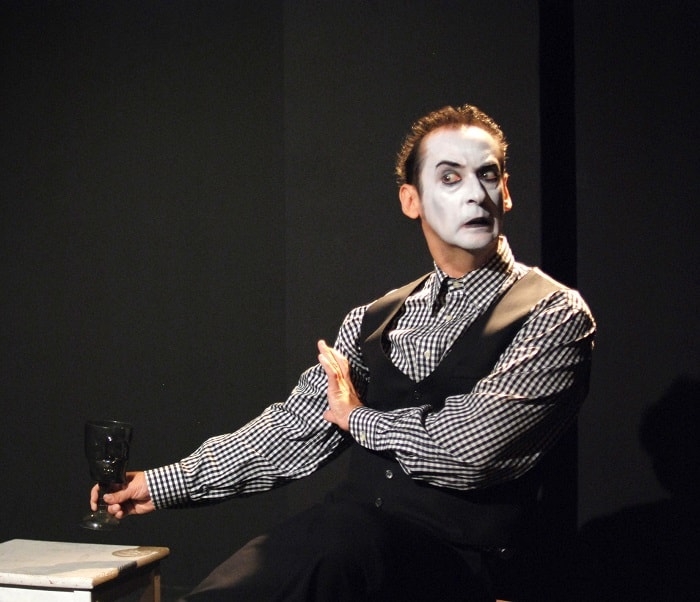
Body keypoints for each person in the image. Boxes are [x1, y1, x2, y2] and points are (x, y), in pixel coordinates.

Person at [91, 104, 596, 601]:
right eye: (450, 178)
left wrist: (359, 419)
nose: (475, 194)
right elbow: (292, 431)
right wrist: (162, 484)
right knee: (271, 562)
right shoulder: (374, 318)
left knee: (334, 543)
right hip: (353, 548)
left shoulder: (553, 313)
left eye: (487, 175)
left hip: (461, 564)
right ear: (411, 200)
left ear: (505, 192)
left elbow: (472, 450)